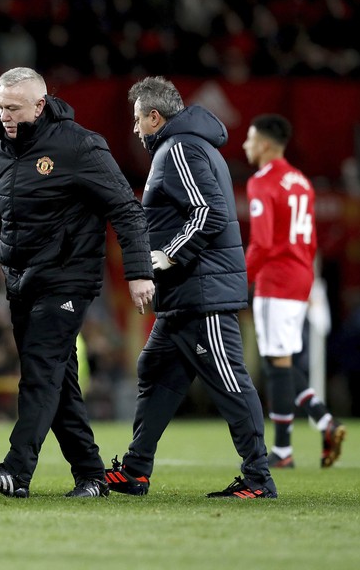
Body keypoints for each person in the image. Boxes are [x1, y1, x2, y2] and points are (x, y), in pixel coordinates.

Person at [0, 67, 155, 498]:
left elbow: (126, 208)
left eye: (13, 108)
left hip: (68, 278)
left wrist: (139, 272)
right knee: (57, 382)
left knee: (40, 371)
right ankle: (91, 475)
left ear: (40, 105)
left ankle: (17, 470)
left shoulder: (79, 145)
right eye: (0, 107)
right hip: (20, 280)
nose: (4, 116)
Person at [106, 76, 277, 499]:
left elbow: (209, 212)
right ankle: (135, 470)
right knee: (156, 370)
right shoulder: (186, 145)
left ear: (154, 116)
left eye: (137, 121)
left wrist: (167, 255)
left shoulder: (179, 147)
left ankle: (258, 478)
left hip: (203, 293)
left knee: (230, 382)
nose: (134, 130)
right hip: (186, 294)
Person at [242, 114, 346, 469]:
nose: (246, 146)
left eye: (251, 140)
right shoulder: (301, 181)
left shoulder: (262, 182)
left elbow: (263, 241)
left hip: (277, 278)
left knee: (277, 363)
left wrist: (241, 278)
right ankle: (323, 422)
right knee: (280, 360)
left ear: (267, 144)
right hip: (301, 275)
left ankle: (284, 451)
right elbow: (312, 239)